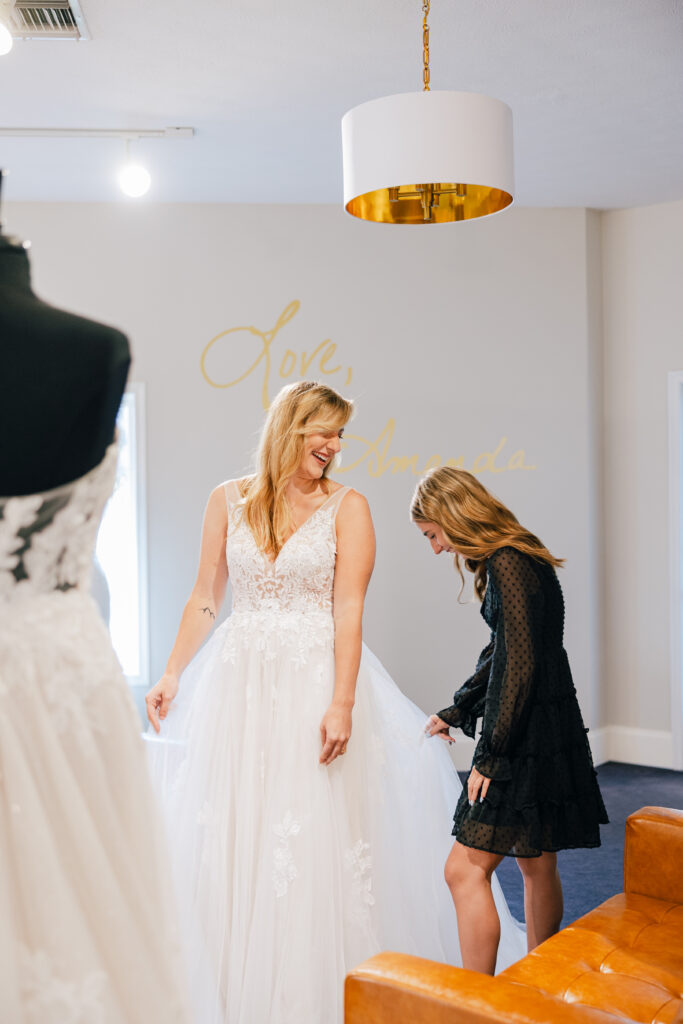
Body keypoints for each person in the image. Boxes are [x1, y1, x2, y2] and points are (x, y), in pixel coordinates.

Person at [144, 381, 526, 1024]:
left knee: (311, 827)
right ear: (289, 429)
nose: (335, 445)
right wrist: (172, 671)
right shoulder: (226, 500)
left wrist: (342, 701)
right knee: (237, 823)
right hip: (240, 684)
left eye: (341, 433)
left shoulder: (349, 507)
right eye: (325, 430)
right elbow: (205, 596)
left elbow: (348, 611)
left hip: (314, 680)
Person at [0, 221, 188, 1022]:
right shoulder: (88, 347)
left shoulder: (95, 350)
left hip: (56, 678)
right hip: (54, 653)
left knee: (72, 893)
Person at [412, 466, 608, 976]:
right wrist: (459, 707)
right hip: (547, 725)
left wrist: (491, 756)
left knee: (462, 871)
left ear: (455, 514)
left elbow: (516, 668)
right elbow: (507, 652)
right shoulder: (525, 553)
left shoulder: (505, 563)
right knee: (536, 859)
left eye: (433, 535)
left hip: (521, 736)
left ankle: (478, 1000)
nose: (436, 549)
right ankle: (541, 981)